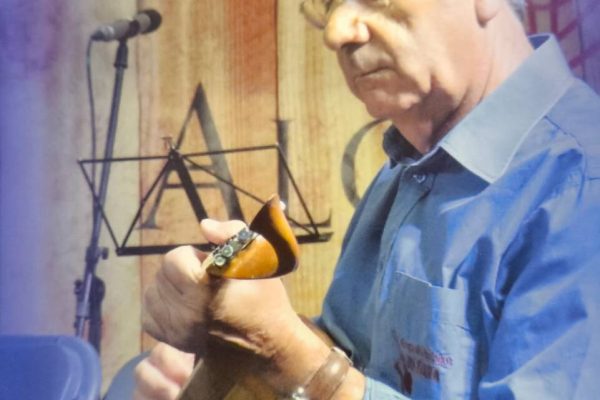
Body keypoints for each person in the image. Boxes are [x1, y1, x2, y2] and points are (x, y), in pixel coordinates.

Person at [134, 0, 600, 398]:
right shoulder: (410, 161)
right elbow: (354, 355)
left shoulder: (582, 186)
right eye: (329, 4)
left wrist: (284, 352)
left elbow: (313, 367)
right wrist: (232, 343)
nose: (335, 32)